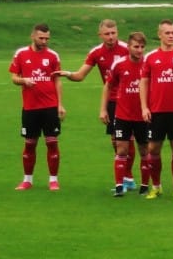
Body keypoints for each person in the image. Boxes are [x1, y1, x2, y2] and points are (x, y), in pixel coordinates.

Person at [60, 18, 129, 190]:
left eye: (113, 33)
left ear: (117, 33)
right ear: (100, 35)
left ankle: (130, 178)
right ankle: (126, 176)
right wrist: (67, 73)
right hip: (112, 101)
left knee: (129, 140)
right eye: (107, 34)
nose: (111, 37)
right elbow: (80, 75)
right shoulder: (96, 53)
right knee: (116, 141)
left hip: (130, 99)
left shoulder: (128, 49)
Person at [138, 19, 173, 200]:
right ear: (159, 34)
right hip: (157, 110)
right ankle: (156, 187)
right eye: (167, 33)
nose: (171, 36)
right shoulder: (150, 57)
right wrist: (144, 107)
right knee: (153, 148)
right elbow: (144, 82)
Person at [10, 23, 65, 191]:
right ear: (33, 36)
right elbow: (14, 77)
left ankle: (53, 180)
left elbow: (57, 80)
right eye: (41, 38)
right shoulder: (21, 54)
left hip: (50, 107)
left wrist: (60, 105)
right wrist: (24, 80)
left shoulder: (53, 56)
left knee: (52, 143)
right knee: (30, 144)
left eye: (47, 38)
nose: (44, 41)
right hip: (30, 107)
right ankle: (27, 180)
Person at [104, 31, 150, 196]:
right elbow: (108, 86)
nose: (139, 50)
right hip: (122, 115)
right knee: (121, 149)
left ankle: (145, 185)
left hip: (143, 116)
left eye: (142, 47)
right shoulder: (119, 64)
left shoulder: (148, 64)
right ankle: (119, 186)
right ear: (129, 47)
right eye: (136, 46)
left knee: (144, 150)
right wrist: (103, 109)